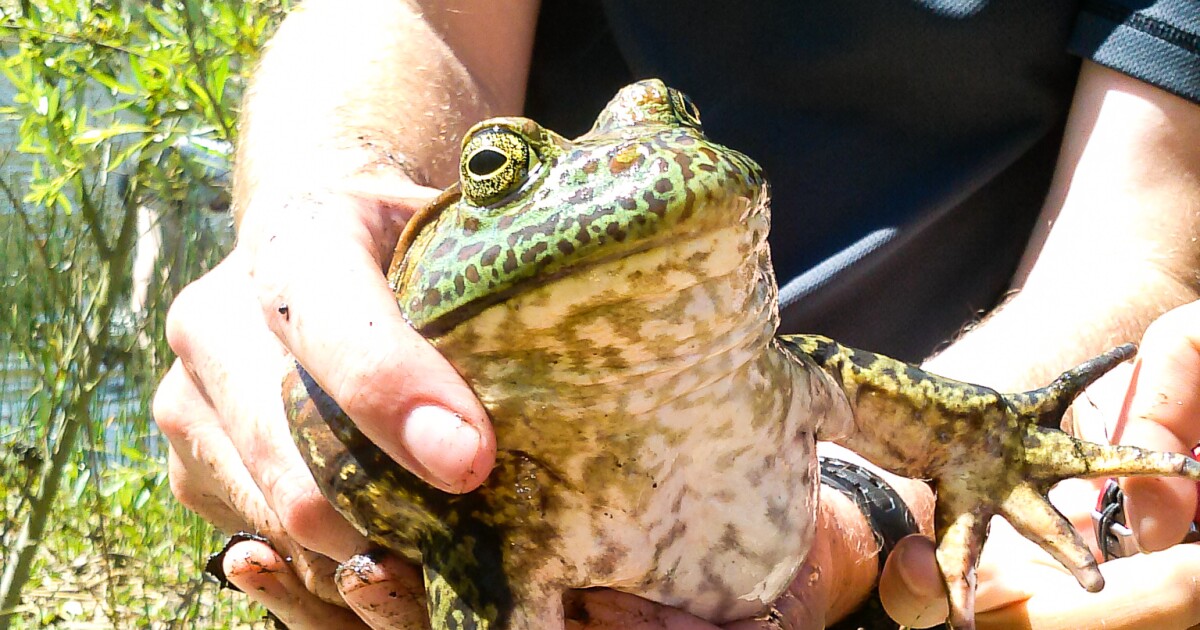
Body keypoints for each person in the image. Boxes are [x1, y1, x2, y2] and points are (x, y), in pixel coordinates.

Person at [152, 1, 1200, 627]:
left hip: (956, 586)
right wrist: (322, 190)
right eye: (496, 173)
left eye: (671, 134)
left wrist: (860, 518)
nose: (635, 179)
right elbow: (413, 12)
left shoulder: (799, 382)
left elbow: (1141, 243)